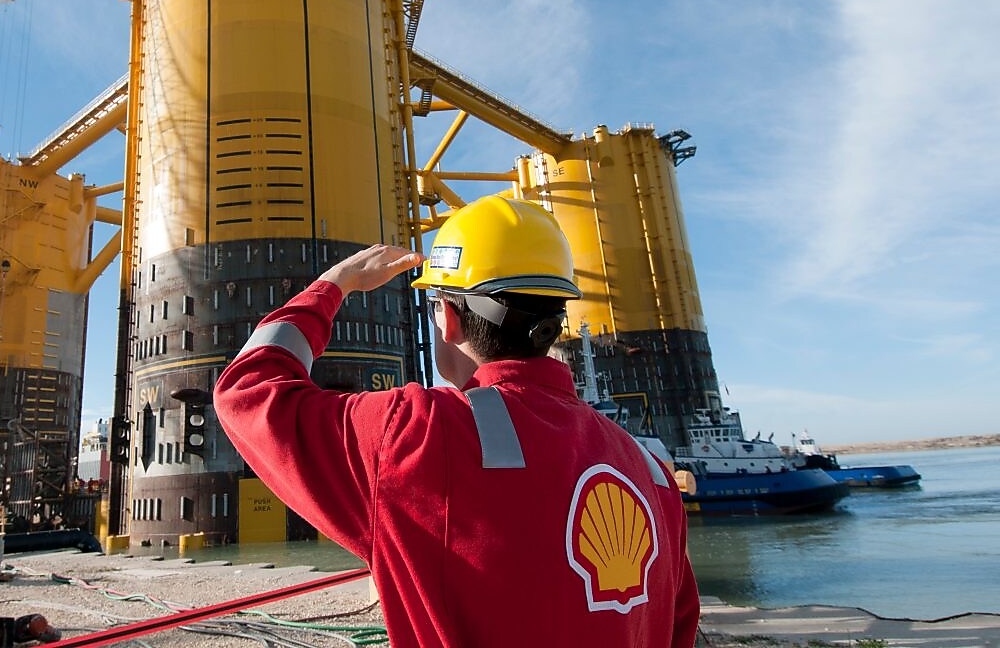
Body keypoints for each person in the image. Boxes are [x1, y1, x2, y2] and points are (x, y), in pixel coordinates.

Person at [215, 196, 699, 647]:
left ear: (447, 317)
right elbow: (680, 625)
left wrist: (332, 286)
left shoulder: (419, 434)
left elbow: (248, 392)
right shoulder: (650, 469)